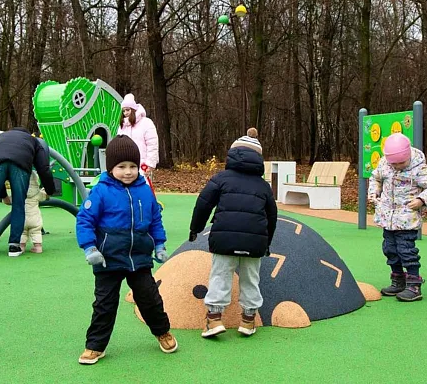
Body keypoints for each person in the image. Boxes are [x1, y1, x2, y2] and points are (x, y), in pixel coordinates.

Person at [75, 135, 177, 365]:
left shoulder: (144, 190)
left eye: (132, 166)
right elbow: (84, 220)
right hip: (108, 259)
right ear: (111, 168)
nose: (128, 172)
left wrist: (159, 244)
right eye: (121, 167)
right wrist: (89, 247)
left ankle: (163, 332)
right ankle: (95, 345)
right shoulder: (101, 191)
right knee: (104, 304)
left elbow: (155, 220)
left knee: (150, 299)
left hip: (139, 258)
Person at [189, 128, 277, 338]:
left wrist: (196, 228)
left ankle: (214, 318)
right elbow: (271, 216)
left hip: (224, 239)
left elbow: (203, 205)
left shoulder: (221, 179)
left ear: (232, 154)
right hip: (254, 243)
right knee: (250, 278)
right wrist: (266, 244)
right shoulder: (263, 186)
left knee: (220, 275)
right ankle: (248, 320)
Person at [368, 132, 427, 302]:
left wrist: (421, 199)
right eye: (393, 163)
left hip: (407, 218)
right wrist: (374, 192)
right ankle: (398, 280)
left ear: (408, 155)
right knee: (389, 249)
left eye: (401, 162)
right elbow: (375, 178)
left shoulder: (417, 169)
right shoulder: (385, 164)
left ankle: (414, 284)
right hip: (387, 216)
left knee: (406, 251)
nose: (397, 166)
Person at [0, 127, 56, 259]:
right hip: (21, 165)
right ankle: (14, 245)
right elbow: (43, 168)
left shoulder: (1, 138)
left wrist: (3, 195)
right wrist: (49, 191)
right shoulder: (34, 141)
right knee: (19, 204)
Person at [117, 94, 159, 175]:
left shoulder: (146, 123)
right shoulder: (122, 126)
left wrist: (149, 164)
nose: (125, 113)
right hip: (125, 165)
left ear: (133, 109)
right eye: (123, 111)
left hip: (142, 166)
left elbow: (152, 144)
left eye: (127, 110)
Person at [20, 171, 48, 253]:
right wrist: (44, 191)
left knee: (22, 233)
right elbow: (45, 196)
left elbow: (8, 201)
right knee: (36, 232)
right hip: (35, 219)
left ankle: (21, 247)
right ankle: (38, 247)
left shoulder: (18, 193)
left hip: (22, 219)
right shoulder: (38, 194)